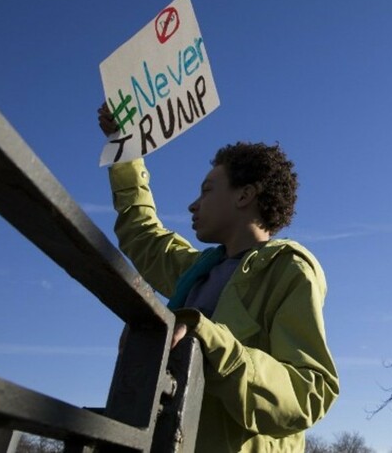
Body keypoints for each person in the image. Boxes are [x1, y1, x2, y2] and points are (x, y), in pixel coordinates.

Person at [98, 104, 339, 452]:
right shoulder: (197, 269)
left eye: (207, 190)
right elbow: (142, 232)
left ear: (244, 195)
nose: (193, 205)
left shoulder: (290, 269)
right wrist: (126, 151)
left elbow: (309, 393)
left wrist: (209, 341)